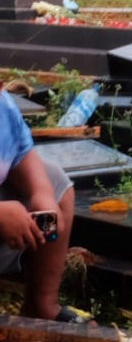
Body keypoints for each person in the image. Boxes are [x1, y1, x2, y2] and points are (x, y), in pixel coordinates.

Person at [0, 90, 88, 323]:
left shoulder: (4, 108)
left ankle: (42, 305)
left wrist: (44, 196)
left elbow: (22, 153)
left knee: (55, 180)